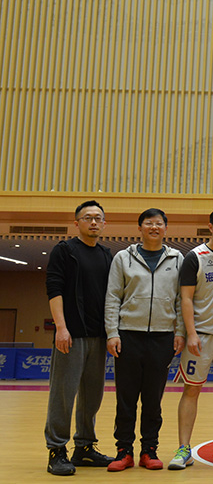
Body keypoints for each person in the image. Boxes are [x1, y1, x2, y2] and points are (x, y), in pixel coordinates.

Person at [104, 208, 185, 471]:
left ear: (165, 228)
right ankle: (123, 451)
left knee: (153, 400)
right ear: (139, 228)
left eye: (159, 223)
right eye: (148, 223)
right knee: (125, 399)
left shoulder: (177, 258)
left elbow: (181, 299)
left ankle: (149, 450)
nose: (154, 227)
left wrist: (180, 332)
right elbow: (113, 297)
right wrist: (112, 333)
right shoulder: (123, 257)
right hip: (128, 335)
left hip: (162, 338)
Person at [168, 208, 213, 470]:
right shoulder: (195, 257)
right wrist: (191, 333)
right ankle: (183, 448)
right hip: (200, 337)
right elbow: (186, 298)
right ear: (210, 226)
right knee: (192, 390)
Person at [44, 200, 114, 475]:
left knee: (92, 396)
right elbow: (54, 289)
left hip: (98, 336)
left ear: (104, 223)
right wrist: (61, 328)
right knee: (63, 395)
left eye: (98, 218)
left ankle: (84, 447)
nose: (93, 222)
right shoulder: (64, 251)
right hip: (71, 335)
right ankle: (57, 449)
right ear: (77, 223)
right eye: (88, 217)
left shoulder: (107, 255)